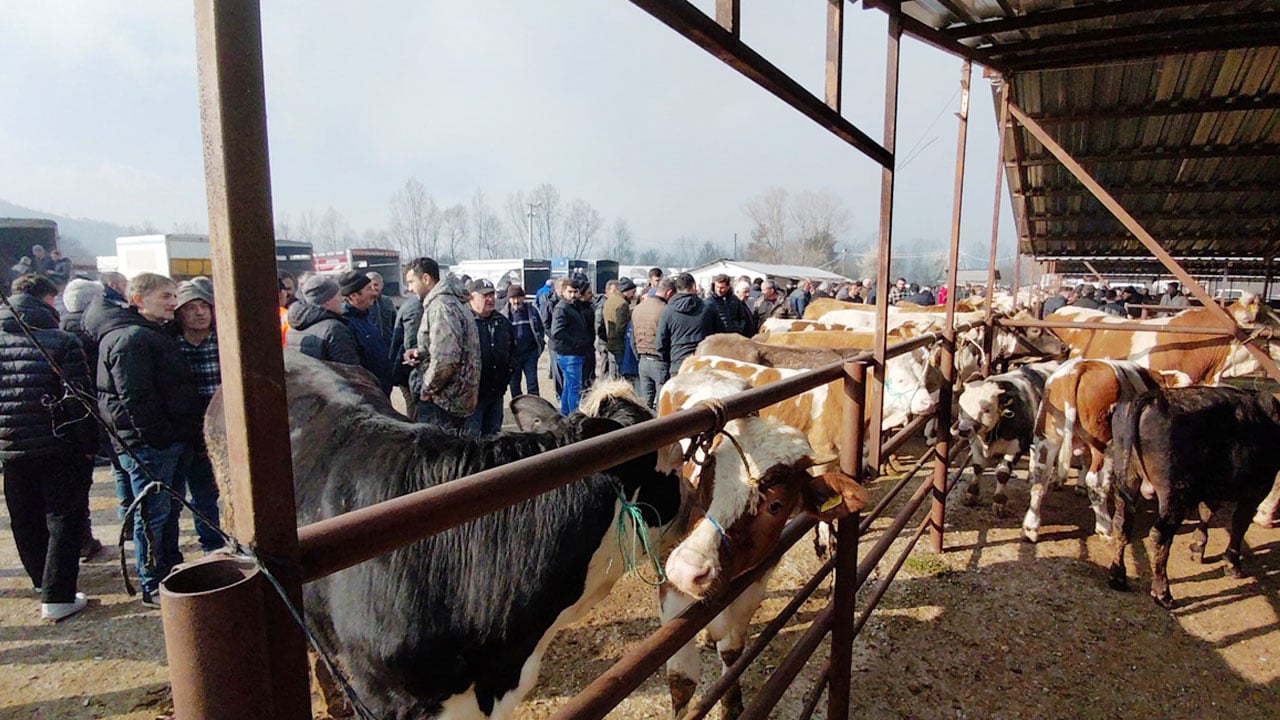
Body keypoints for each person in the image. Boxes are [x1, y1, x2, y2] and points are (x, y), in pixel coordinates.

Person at [96, 272, 202, 608]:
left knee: (168, 512)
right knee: (152, 516)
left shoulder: (151, 334)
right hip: (150, 445)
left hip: (167, 441)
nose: (173, 303)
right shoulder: (131, 339)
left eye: (173, 296)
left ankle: (168, 570)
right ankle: (152, 583)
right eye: (165, 297)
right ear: (139, 299)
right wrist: (160, 439)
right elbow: (135, 398)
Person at [1, 274, 97, 621]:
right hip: (58, 445)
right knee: (63, 518)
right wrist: (89, 444)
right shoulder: (61, 342)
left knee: (23, 516)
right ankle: (58, 595)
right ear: (47, 301)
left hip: (10, 447)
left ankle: (40, 580)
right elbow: (78, 398)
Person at [170, 280, 225, 554]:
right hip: (189, 429)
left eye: (205, 306)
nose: (200, 313)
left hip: (226, 426)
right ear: (179, 313)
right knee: (201, 493)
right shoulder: (170, 344)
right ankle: (212, 546)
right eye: (191, 307)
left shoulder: (224, 341)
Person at [59, 278, 106, 561]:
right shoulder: (90, 333)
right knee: (78, 486)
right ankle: (83, 540)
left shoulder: (56, 329)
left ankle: (82, 540)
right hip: (89, 414)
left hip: (60, 425)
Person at [410, 260, 480, 428]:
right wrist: (420, 353)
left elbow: (445, 359)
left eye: (412, 282)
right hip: (457, 398)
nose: (410, 288)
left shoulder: (441, 306)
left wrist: (427, 390)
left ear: (426, 279)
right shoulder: (455, 301)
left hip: (444, 402)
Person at [465, 279, 515, 436]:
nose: (490, 299)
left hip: (496, 394)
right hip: (472, 397)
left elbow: (512, 352)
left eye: (492, 294)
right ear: (471, 297)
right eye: (485, 295)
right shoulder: (464, 322)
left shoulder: (501, 322)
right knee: (472, 442)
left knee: (493, 439)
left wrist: (505, 379)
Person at [285, 275, 363, 365]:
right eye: (338, 295)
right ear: (327, 301)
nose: (342, 300)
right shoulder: (334, 329)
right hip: (330, 379)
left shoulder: (293, 327)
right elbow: (351, 371)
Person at [338, 271, 393, 394]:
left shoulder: (365, 318)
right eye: (368, 289)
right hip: (370, 397)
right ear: (353, 296)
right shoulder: (346, 325)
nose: (374, 292)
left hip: (381, 392)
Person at [659, 272, 723, 373]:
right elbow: (719, 335)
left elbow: (661, 343)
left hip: (678, 364)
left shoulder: (668, 311)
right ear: (694, 287)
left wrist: (672, 359)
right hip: (702, 364)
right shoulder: (708, 308)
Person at [390, 259, 428, 417]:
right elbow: (411, 347)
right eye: (409, 282)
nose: (409, 288)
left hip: (408, 370)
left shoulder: (417, 304)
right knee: (415, 411)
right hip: (409, 371)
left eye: (411, 282)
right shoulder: (415, 308)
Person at [550, 276, 593, 414]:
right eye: (570, 292)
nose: (573, 295)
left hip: (575, 353)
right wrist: (575, 344)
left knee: (569, 387)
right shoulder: (562, 308)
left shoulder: (574, 306)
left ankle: (565, 414)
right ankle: (574, 416)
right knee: (574, 388)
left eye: (575, 292)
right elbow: (557, 332)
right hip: (570, 354)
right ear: (563, 292)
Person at [632, 276, 676, 409]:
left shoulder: (638, 308)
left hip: (642, 360)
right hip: (660, 361)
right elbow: (667, 338)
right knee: (662, 403)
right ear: (669, 293)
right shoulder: (666, 310)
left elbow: (632, 340)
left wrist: (638, 356)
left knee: (645, 404)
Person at [500, 284, 543, 398]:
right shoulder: (503, 315)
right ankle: (518, 410)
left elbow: (540, 329)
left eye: (519, 297)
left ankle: (535, 410)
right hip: (513, 357)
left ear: (523, 298)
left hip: (530, 354)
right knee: (514, 385)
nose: (516, 301)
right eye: (513, 298)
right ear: (509, 299)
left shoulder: (532, 311)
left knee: (532, 384)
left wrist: (539, 346)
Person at [604, 277, 637, 375]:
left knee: (612, 373)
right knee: (619, 374)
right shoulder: (622, 304)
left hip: (610, 342)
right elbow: (621, 328)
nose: (634, 295)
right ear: (626, 291)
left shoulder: (610, 299)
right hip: (619, 345)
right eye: (633, 292)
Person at [365, 271, 398, 349]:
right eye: (370, 286)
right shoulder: (363, 303)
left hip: (388, 346)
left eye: (376, 285)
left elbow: (395, 323)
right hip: (371, 347)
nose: (373, 288)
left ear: (382, 285)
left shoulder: (387, 301)